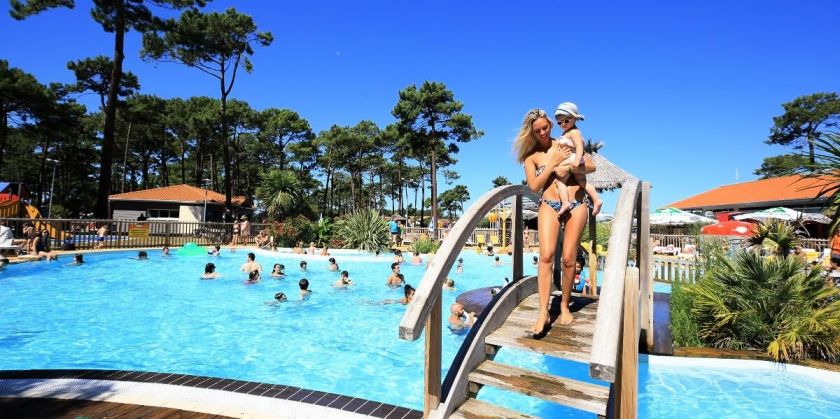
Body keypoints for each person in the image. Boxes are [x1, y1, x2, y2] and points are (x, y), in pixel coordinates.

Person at [514, 108, 596, 334]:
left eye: (545, 127)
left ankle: (563, 304)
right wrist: (551, 164)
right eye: (537, 130)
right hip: (549, 205)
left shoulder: (564, 141)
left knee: (569, 258)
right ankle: (543, 313)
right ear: (531, 132)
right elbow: (534, 186)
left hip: (577, 204)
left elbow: (590, 165)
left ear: (550, 124)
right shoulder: (531, 157)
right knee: (547, 255)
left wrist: (567, 164)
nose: (542, 132)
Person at [552, 102, 603, 217]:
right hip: (574, 158)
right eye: (560, 122)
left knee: (559, 179)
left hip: (573, 158)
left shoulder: (574, 132)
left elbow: (580, 146)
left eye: (566, 121)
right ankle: (596, 200)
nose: (563, 124)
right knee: (583, 182)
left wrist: (576, 160)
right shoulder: (567, 132)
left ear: (574, 118)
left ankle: (565, 203)